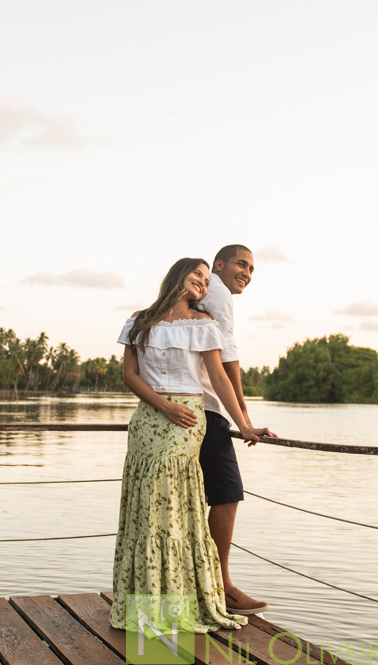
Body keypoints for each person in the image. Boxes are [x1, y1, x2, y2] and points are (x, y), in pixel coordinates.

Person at [109, 257, 258, 633]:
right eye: (198, 275)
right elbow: (129, 374)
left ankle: (176, 602)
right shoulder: (140, 319)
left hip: (188, 419)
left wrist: (245, 424)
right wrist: (162, 405)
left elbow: (219, 379)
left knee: (172, 507)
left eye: (208, 282)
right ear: (179, 274)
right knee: (145, 509)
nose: (203, 284)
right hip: (148, 419)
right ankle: (144, 603)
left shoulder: (203, 325)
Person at [197, 244, 276, 616]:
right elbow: (227, 356)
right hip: (206, 411)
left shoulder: (201, 294)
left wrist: (242, 418)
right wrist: (243, 419)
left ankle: (200, 584)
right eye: (241, 264)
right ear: (219, 264)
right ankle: (222, 586)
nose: (247, 273)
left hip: (188, 410)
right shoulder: (218, 292)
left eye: (252, 269)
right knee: (227, 493)